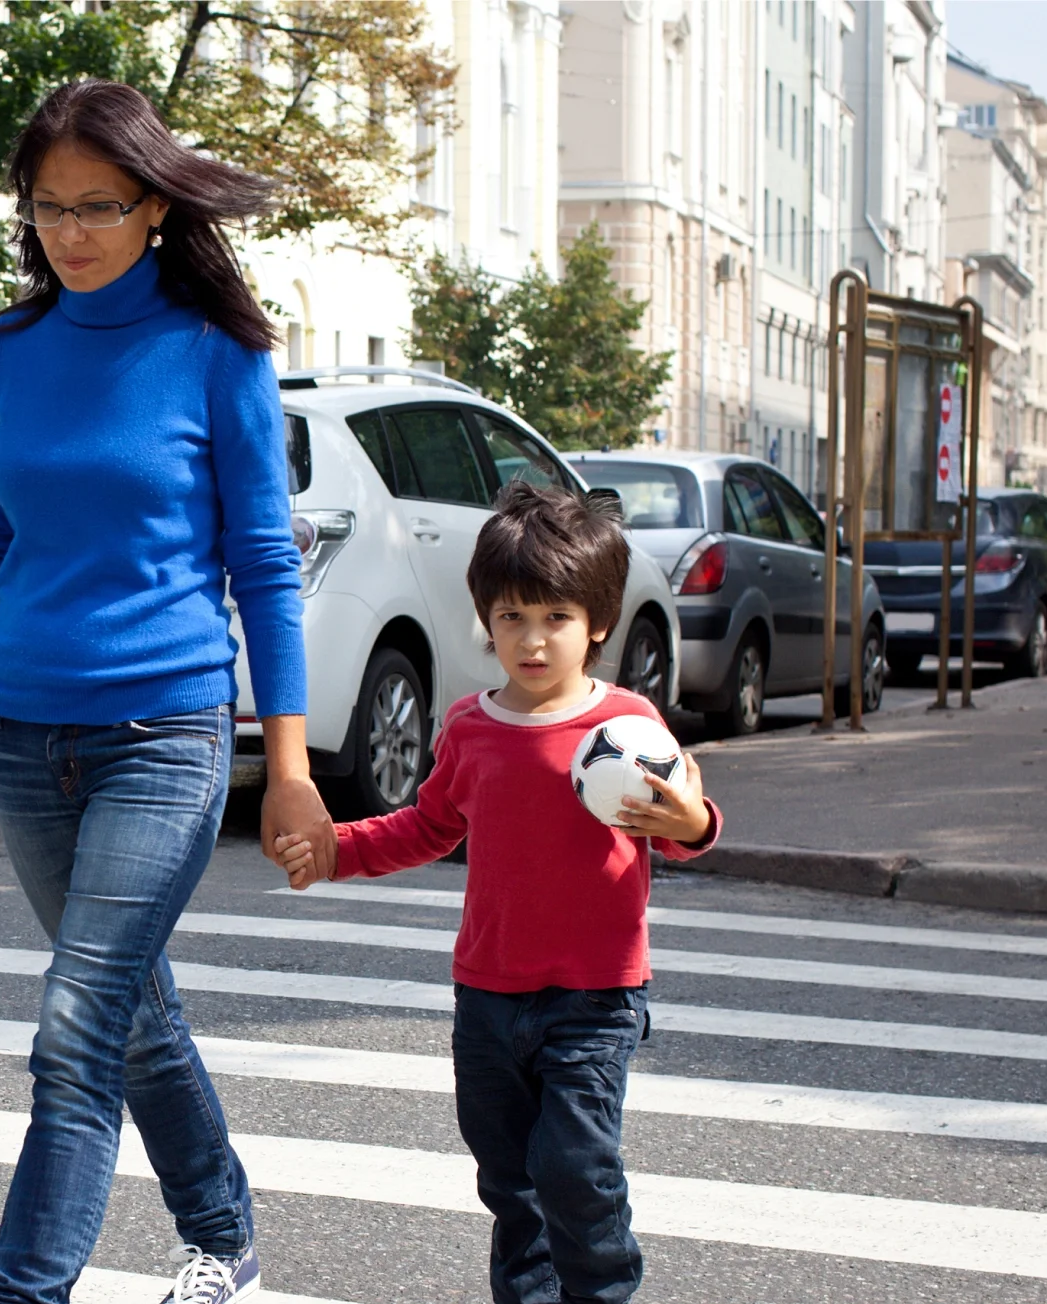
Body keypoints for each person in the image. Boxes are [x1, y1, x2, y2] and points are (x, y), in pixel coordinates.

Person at [0, 79, 333, 1304]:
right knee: (128, 1006)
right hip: (23, 739)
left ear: (152, 207)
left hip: (164, 733)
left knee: (74, 1027)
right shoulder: (9, 349)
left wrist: (287, 766)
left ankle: (19, 1292)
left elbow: (261, 566)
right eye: (46, 207)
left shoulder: (214, 351)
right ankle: (223, 1230)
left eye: (98, 206)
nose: (69, 232)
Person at [275, 483, 722, 1304]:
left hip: (593, 999)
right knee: (511, 1186)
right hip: (487, 998)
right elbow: (426, 826)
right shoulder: (471, 728)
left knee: (574, 1170)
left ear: (597, 622)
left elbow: (681, 829)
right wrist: (336, 850)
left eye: (555, 617)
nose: (533, 639)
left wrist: (693, 818)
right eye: (511, 616)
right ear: (486, 618)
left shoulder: (626, 729)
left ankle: (604, 1291)